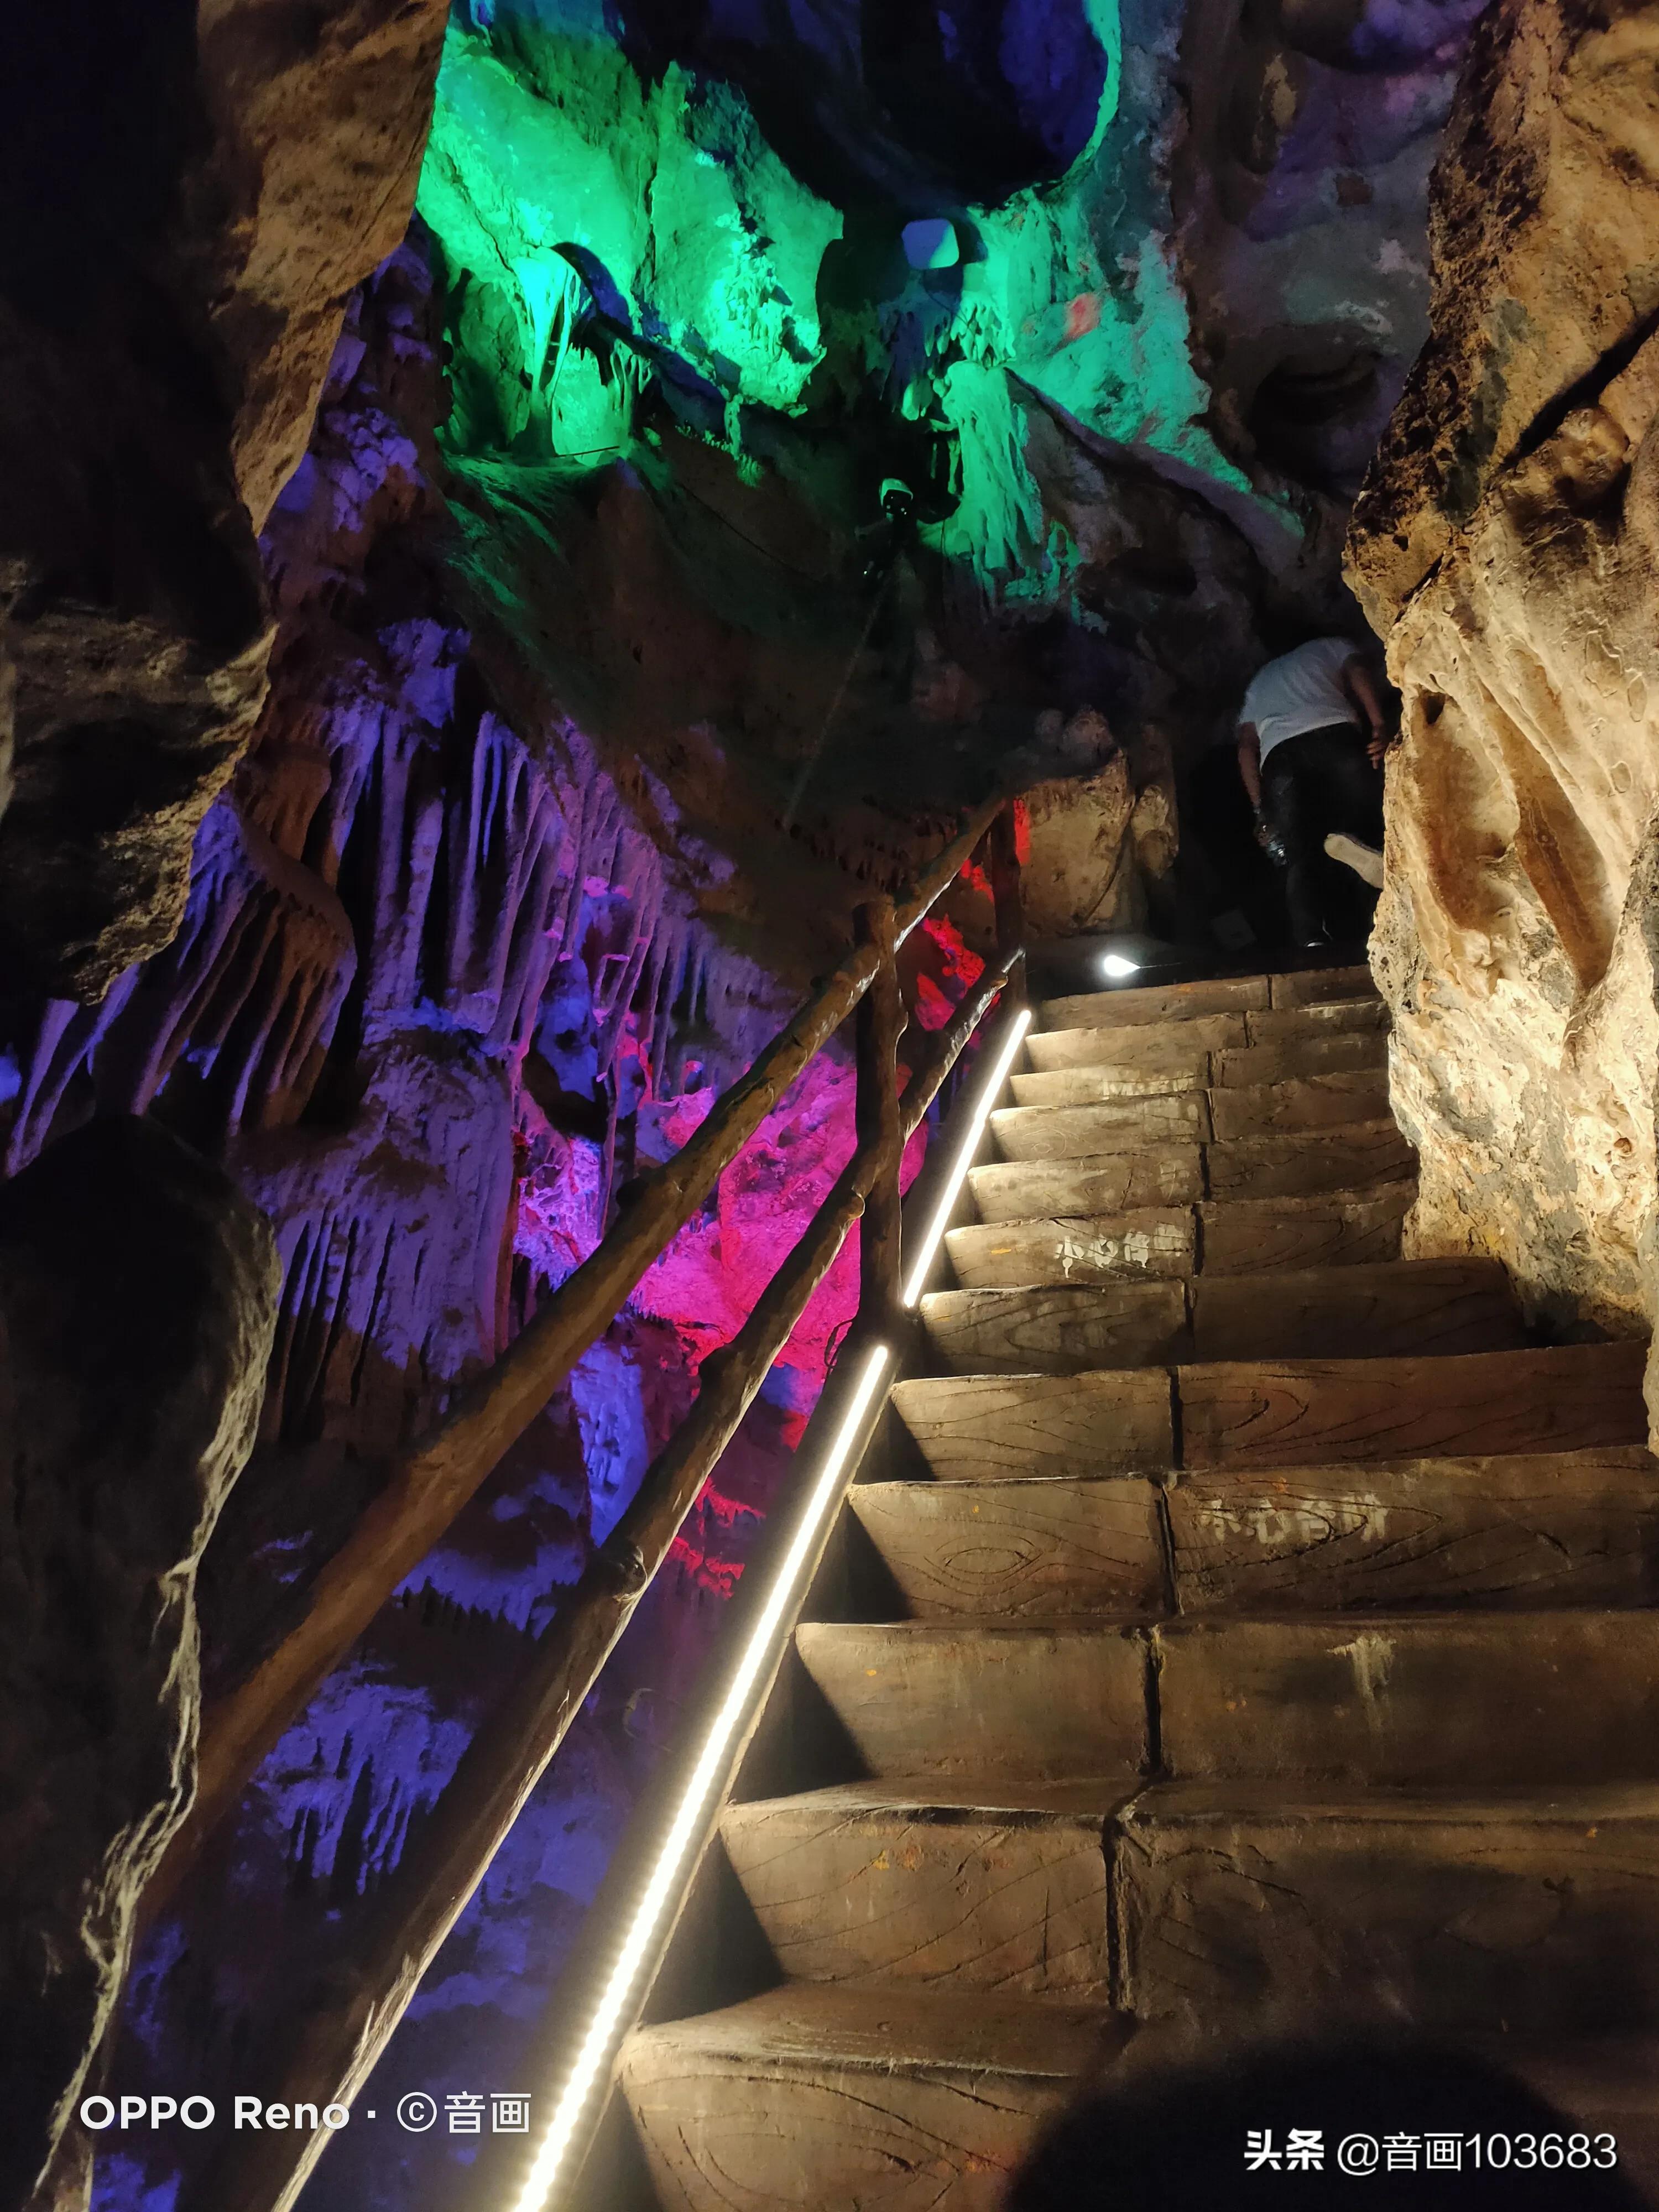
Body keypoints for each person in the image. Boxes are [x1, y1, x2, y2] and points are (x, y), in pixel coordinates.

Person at [1235, 637, 1390, 947]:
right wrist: (1379, 725)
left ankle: (1311, 940)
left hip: (1280, 758)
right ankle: (1379, 925)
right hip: (1335, 735)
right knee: (1365, 830)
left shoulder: (1259, 682)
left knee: (1300, 853)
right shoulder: (1330, 646)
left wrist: (1261, 811)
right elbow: (1358, 672)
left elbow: (1246, 748)